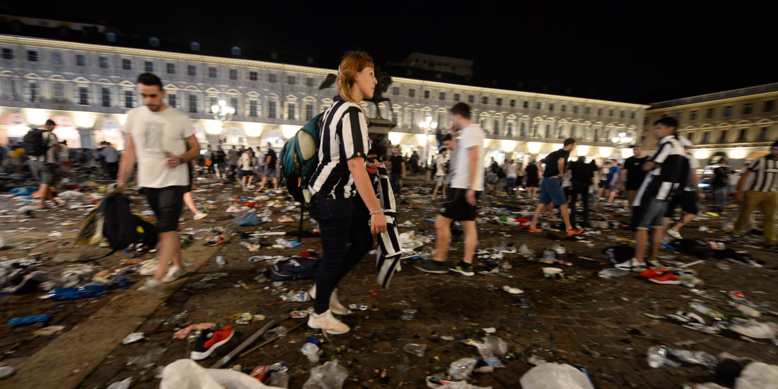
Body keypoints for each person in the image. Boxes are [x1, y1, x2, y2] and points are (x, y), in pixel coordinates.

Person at [306, 51, 387, 335]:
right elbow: (352, 164)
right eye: (371, 74)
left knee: (363, 240)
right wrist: (376, 210)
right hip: (333, 196)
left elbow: (346, 157)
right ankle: (319, 313)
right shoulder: (352, 111)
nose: (376, 81)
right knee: (334, 255)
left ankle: (324, 288)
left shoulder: (336, 107)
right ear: (355, 75)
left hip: (334, 193)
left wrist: (368, 163)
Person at [117, 72, 200, 295]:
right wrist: (120, 182)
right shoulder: (134, 116)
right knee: (166, 227)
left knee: (167, 228)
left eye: (153, 96)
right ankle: (179, 266)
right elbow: (129, 153)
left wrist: (181, 159)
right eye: (144, 96)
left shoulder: (179, 117)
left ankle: (158, 278)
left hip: (174, 181)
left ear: (163, 93)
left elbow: (196, 148)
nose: (148, 101)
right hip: (148, 182)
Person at [414, 102, 485, 276]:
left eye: (452, 118)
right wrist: (454, 134)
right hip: (468, 186)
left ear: (458, 116)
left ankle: (439, 261)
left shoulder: (470, 132)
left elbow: (473, 158)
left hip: (462, 186)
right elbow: (456, 150)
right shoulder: (470, 132)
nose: (452, 120)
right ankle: (466, 265)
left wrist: (469, 187)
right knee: (469, 226)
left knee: (441, 223)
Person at [616, 117, 687, 271]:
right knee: (657, 226)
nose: (655, 131)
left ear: (670, 129)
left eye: (659, 128)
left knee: (641, 225)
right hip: (667, 192)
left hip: (655, 189)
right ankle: (652, 258)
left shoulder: (667, 143)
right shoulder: (679, 146)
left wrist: (651, 165)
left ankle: (638, 260)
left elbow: (648, 165)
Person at [527, 139, 584, 236]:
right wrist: (561, 173)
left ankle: (532, 226)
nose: (573, 148)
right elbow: (561, 161)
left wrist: (542, 172)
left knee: (541, 203)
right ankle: (569, 228)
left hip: (545, 180)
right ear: (569, 145)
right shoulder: (564, 153)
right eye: (574, 146)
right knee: (563, 204)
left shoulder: (553, 153)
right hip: (553, 181)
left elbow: (538, 163)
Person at [732, 140, 778, 251]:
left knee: (770, 218)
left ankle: (770, 241)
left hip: (772, 193)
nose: (776, 152)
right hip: (755, 192)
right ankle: (735, 234)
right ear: (771, 149)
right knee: (745, 214)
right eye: (775, 149)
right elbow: (744, 176)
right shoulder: (760, 161)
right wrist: (739, 192)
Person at [663, 137, 703, 240]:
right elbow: (694, 176)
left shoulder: (670, 157)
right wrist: (699, 191)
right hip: (685, 190)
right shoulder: (690, 159)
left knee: (668, 212)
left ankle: (661, 235)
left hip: (670, 188)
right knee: (692, 211)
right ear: (687, 148)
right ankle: (675, 229)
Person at [28, 119, 63, 209]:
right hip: (46, 162)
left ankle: (53, 201)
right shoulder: (50, 134)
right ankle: (42, 203)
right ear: (50, 125)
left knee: (43, 183)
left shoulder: (33, 132)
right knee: (45, 182)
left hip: (33, 162)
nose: (54, 129)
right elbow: (59, 148)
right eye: (54, 127)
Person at [620, 144, 649, 221]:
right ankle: (633, 220)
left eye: (636, 149)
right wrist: (622, 183)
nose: (635, 151)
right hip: (631, 186)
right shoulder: (629, 160)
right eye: (634, 149)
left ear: (641, 149)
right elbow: (624, 172)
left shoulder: (647, 159)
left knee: (643, 205)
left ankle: (641, 220)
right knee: (632, 205)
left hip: (644, 187)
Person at [568, 156, 593, 229]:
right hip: (585, 184)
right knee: (585, 202)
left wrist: (570, 180)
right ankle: (585, 219)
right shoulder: (588, 166)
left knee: (573, 201)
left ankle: (572, 218)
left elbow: (569, 173)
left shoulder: (573, 164)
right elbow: (592, 177)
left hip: (575, 183)